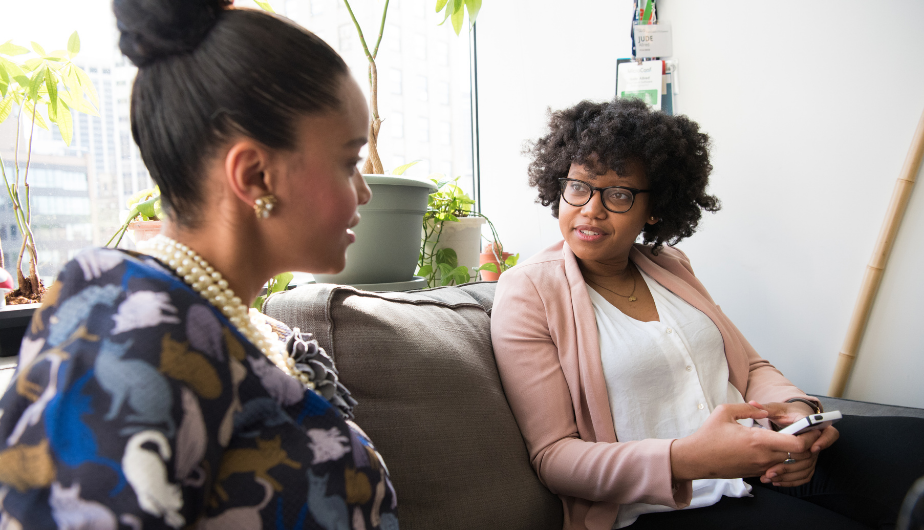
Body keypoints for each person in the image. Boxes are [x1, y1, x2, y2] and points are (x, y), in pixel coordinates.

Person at [0, 0, 399, 528]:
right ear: (255, 176)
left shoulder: (247, 329)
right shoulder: (127, 329)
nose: (365, 192)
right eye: (349, 162)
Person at [490, 97, 924, 530]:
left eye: (619, 194)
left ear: (654, 208)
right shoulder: (529, 291)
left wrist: (795, 411)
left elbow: (750, 367)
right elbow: (554, 457)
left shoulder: (670, 265)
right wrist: (688, 457)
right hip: (671, 502)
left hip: (761, 453)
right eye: (579, 186)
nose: (590, 208)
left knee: (914, 445)